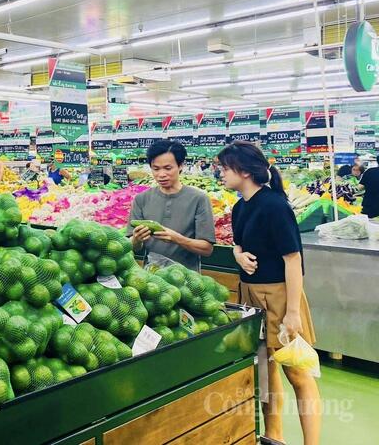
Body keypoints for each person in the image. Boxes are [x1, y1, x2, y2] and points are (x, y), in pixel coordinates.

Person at [217, 141, 320, 445]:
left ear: (245, 171)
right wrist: (237, 254)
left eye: (224, 168)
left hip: (280, 296)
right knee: (266, 370)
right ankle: (274, 436)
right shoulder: (239, 207)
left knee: (298, 373)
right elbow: (239, 243)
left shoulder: (275, 206)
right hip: (250, 296)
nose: (220, 173)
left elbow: (293, 260)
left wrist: (291, 312)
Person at [128, 139, 215, 270]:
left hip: (188, 281)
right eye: (156, 169)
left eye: (168, 168)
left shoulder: (199, 199)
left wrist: (177, 239)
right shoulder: (141, 199)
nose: (161, 174)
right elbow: (131, 247)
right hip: (151, 280)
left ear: (181, 166)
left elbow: (207, 249)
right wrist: (136, 239)